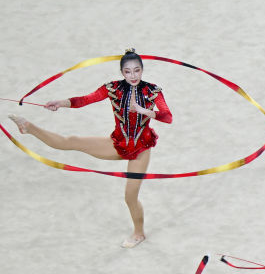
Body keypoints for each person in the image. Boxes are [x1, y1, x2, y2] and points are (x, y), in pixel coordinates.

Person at [7, 49, 172, 248]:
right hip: (118, 143)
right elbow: (85, 99)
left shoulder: (153, 91)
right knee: (71, 141)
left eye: (137, 70)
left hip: (141, 149)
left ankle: (139, 233)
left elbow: (167, 116)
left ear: (142, 70)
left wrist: (144, 110)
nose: (133, 75)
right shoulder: (113, 88)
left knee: (130, 196)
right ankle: (29, 128)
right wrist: (61, 103)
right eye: (128, 71)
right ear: (122, 72)